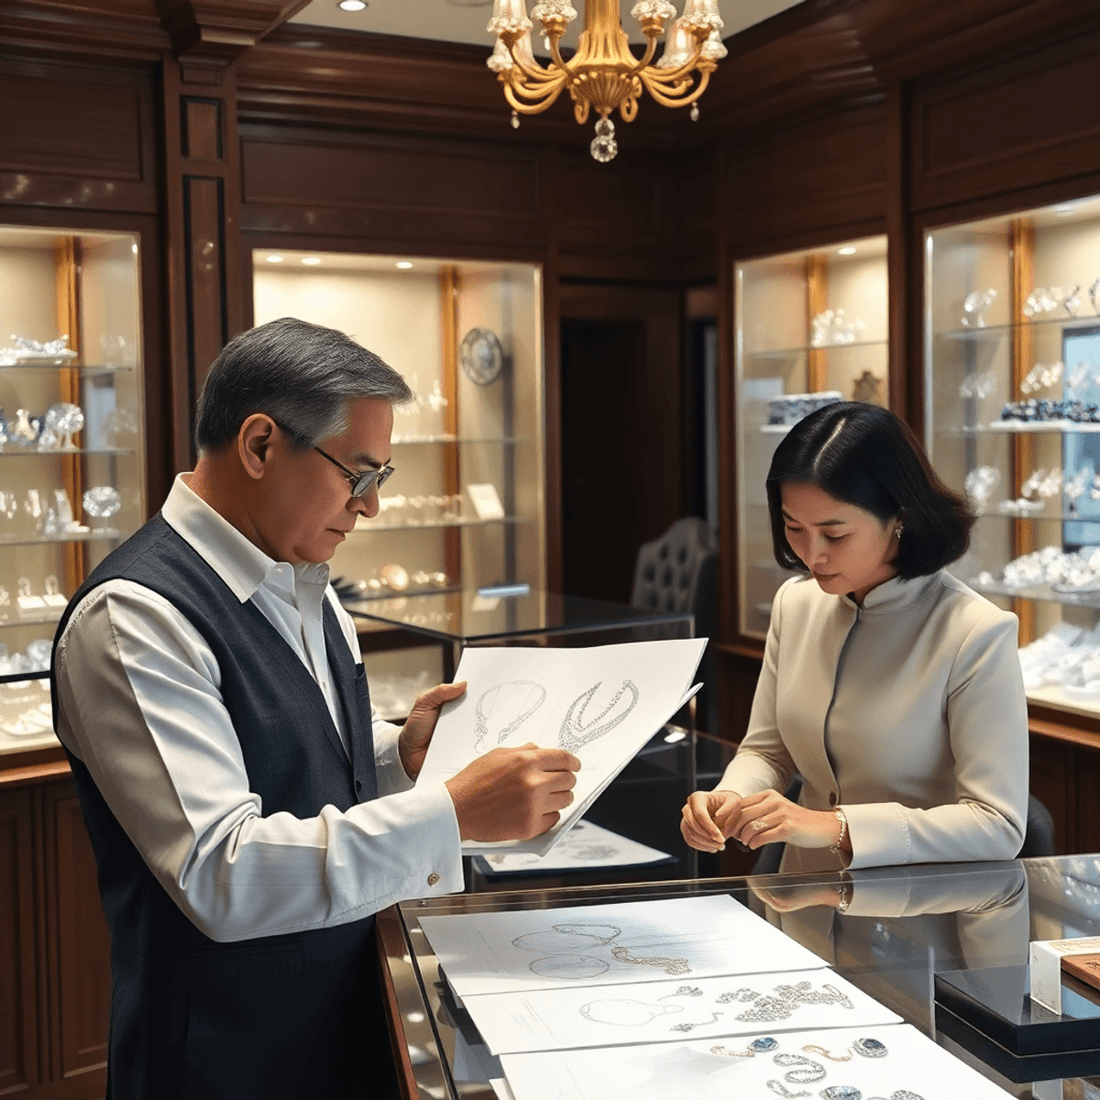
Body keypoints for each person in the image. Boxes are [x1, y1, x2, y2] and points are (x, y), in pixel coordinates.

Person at [51, 317, 581, 1100]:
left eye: (381, 478)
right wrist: (452, 814)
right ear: (261, 444)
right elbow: (220, 872)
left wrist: (397, 755)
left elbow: (284, 745)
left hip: (344, 1013)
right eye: (356, 475)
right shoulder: (134, 618)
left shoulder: (302, 577)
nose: (369, 508)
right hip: (224, 1058)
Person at [681, 401, 1028, 873]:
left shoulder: (975, 633)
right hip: (802, 900)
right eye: (793, 528)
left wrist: (835, 826)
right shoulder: (795, 604)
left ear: (899, 516)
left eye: (835, 534)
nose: (811, 555)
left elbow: (998, 824)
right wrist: (728, 799)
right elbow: (767, 751)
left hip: (917, 915)